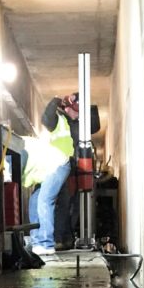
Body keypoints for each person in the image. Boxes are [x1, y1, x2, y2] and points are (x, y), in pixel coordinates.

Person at [41, 93, 100, 249]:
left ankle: (67, 237)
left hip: (75, 168)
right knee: (62, 203)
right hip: (59, 167)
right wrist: (55, 100)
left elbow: (95, 125)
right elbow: (46, 119)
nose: (79, 111)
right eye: (77, 107)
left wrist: (88, 103)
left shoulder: (80, 124)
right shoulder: (58, 121)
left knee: (74, 204)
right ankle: (58, 238)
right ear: (67, 107)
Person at [21, 136, 71, 256]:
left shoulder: (16, 149)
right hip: (45, 170)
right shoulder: (13, 144)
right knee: (34, 202)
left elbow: (16, 172)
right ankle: (36, 241)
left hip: (57, 165)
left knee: (44, 200)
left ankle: (45, 244)